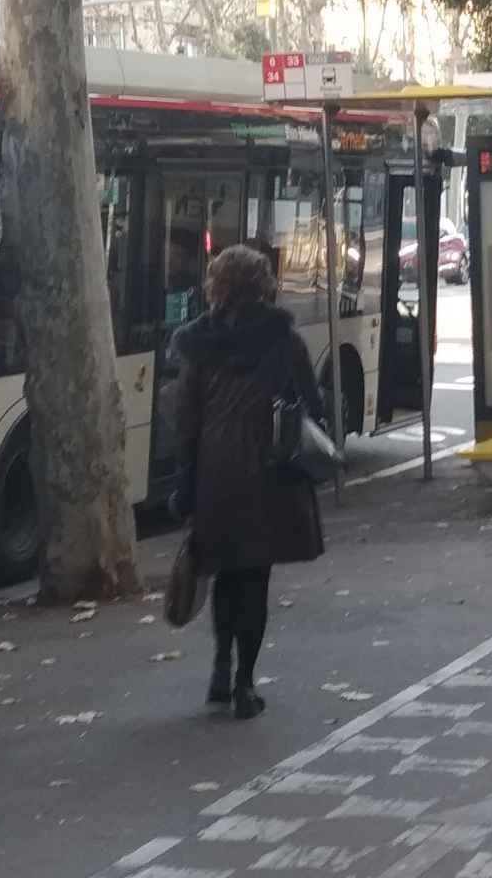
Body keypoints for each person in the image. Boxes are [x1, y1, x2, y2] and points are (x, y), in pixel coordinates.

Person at [169, 245, 325, 720]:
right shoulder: (283, 339)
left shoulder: (197, 343)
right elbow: (311, 406)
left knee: (223, 572)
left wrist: (186, 481)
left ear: (217, 286)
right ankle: (244, 685)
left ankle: (219, 668)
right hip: (266, 470)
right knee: (255, 578)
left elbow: (187, 419)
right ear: (264, 286)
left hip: (215, 471)